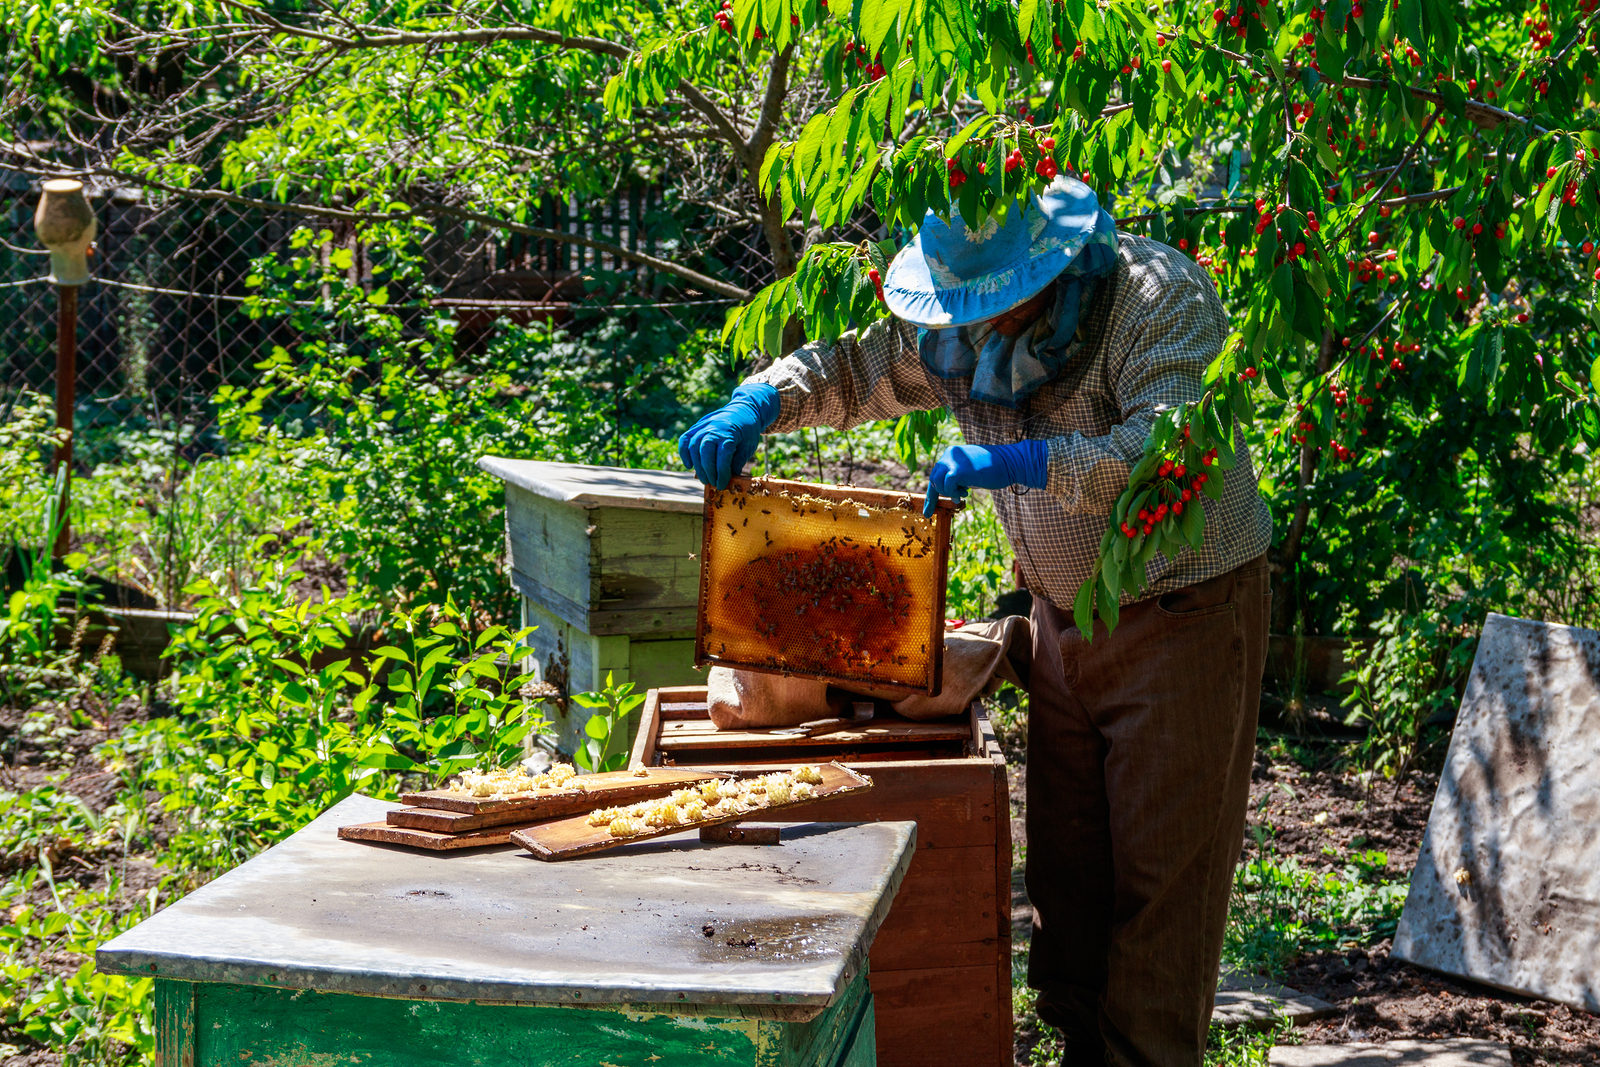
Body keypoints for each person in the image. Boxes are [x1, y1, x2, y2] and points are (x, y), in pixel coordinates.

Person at [677, 175, 1272, 1067]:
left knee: (1161, 887)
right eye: (963, 306)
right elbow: (856, 364)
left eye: (991, 304)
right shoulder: (954, 330)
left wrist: (1024, 460)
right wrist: (760, 399)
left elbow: (1176, 448)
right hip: (1061, 616)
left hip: (1182, 611)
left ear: (1052, 265)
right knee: (1070, 872)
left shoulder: (1155, 296)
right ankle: (1081, 1046)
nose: (974, 326)